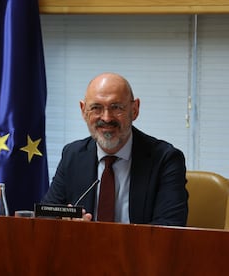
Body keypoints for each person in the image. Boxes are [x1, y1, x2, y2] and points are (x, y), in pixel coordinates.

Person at [42, 72, 188, 226]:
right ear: (83, 111)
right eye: (96, 108)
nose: (106, 118)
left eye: (116, 107)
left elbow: (170, 228)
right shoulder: (73, 155)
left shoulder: (165, 159)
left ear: (135, 109)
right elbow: (47, 215)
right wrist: (67, 223)